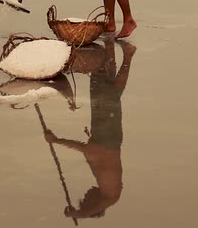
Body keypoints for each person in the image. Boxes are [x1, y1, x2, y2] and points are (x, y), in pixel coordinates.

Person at [43, 38, 137, 218]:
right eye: (86, 199)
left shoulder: (100, 180)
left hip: (101, 131)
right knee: (111, 95)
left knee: (100, 84)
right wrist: (82, 213)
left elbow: (86, 150)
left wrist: (57, 140)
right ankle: (128, 55)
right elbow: (87, 150)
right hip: (108, 136)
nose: (86, 194)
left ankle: (109, 50)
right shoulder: (110, 191)